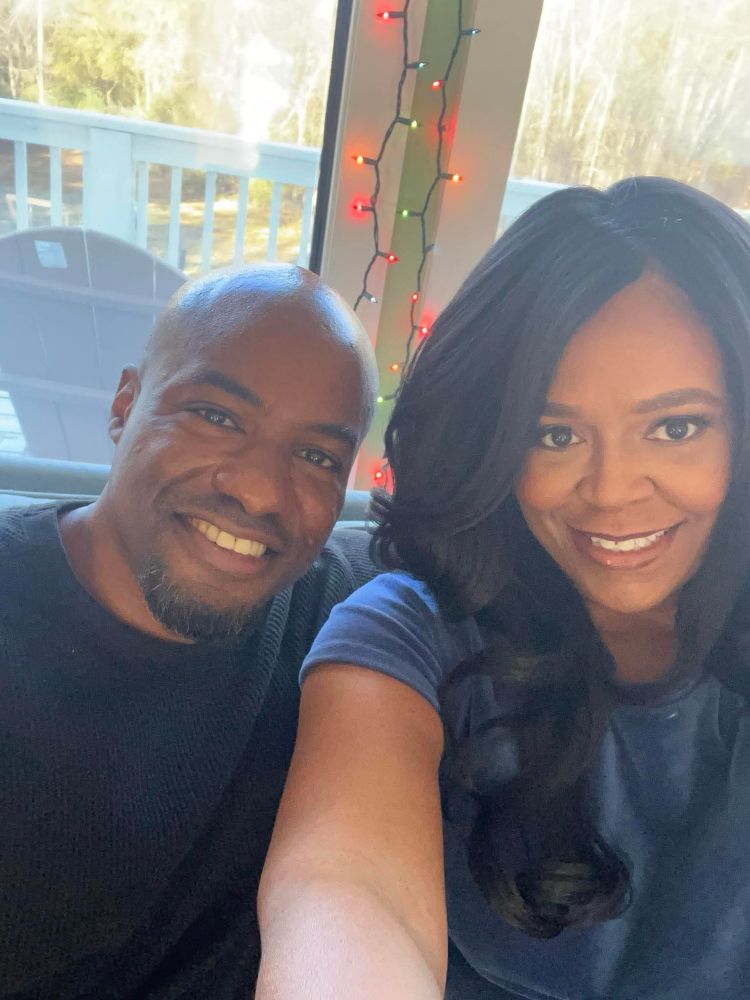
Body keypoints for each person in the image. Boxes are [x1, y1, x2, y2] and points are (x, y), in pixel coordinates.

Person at [256, 177, 750, 1000]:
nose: (613, 489)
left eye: (675, 426)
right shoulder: (408, 633)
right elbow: (343, 898)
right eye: (554, 434)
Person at [0, 264, 379, 999]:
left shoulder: (347, 618)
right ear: (124, 404)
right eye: (217, 416)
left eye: (316, 457)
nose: (261, 490)